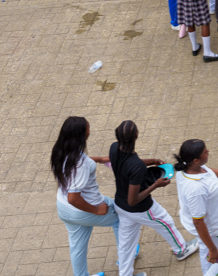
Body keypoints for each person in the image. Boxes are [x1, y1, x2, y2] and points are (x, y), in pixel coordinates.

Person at [109, 121, 195, 276]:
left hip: (120, 206)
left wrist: (153, 161)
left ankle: (125, 274)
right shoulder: (136, 166)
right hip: (140, 208)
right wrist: (156, 185)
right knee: (165, 222)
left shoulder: (114, 148)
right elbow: (133, 199)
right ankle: (182, 249)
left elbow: (131, 164)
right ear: (136, 135)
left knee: (126, 245)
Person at [51, 117, 127, 276]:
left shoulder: (60, 150)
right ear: (80, 135)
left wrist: (98, 160)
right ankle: (126, 261)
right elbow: (74, 197)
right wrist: (96, 210)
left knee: (77, 247)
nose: (90, 131)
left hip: (64, 208)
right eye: (88, 129)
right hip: (84, 207)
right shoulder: (82, 164)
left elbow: (77, 162)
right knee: (123, 217)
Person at [172, 138, 218, 276]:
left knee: (205, 248)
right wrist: (213, 249)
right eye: (205, 152)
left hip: (203, 227)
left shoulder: (187, 169)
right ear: (196, 160)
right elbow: (198, 222)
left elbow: (207, 171)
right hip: (212, 228)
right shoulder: (196, 189)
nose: (208, 152)